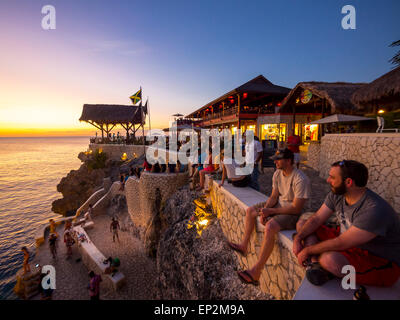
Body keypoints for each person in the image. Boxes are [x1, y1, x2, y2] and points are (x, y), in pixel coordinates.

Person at [293, 160, 400, 287]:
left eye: (332, 177)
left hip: (379, 261)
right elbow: (316, 219)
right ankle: (316, 264)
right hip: (348, 244)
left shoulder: (374, 210)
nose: (328, 180)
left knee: (329, 260)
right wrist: (298, 238)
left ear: (348, 182)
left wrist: (308, 251)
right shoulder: (338, 194)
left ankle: (322, 266)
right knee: (303, 224)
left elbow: (341, 242)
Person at [231, 148, 311, 285]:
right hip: (279, 205)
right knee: (251, 211)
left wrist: (271, 213)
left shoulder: (300, 179)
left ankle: (256, 271)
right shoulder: (277, 174)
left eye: (278, 159)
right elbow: (274, 196)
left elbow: (296, 208)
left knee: (270, 226)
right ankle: (244, 245)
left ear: (289, 161)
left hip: (292, 212)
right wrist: (265, 210)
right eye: (275, 159)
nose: (275, 162)